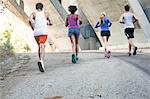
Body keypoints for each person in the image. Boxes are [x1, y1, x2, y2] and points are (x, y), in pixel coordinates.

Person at [29, 3, 52, 72]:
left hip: (36, 32)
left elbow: (30, 20)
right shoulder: (46, 14)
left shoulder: (33, 14)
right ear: (42, 8)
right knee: (42, 45)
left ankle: (40, 61)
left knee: (39, 46)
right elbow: (50, 22)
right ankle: (41, 61)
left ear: (36, 8)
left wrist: (32, 26)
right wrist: (48, 23)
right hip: (43, 32)